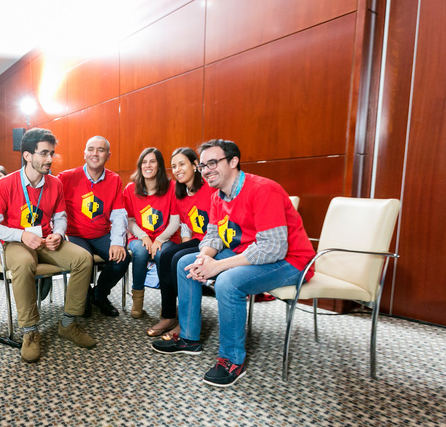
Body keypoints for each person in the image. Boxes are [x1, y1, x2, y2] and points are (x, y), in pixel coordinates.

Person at [152, 139, 315, 388]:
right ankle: (189, 338)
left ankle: (232, 360)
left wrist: (218, 267)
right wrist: (204, 257)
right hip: (248, 253)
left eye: (213, 163)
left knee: (227, 282)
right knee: (186, 262)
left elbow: (273, 248)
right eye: (204, 165)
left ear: (234, 161)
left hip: (290, 261)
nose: (207, 170)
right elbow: (214, 235)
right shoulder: (219, 196)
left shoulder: (262, 190)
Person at [0, 128, 94, 363]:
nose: (49, 159)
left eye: (51, 153)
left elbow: (62, 217)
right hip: (17, 243)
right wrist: (21, 235)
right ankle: (30, 331)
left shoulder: (55, 183)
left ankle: (68, 324)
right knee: (23, 264)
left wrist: (58, 232)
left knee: (84, 259)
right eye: (44, 153)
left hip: (46, 241)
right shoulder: (5, 184)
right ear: (27, 156)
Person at [147, 148, 216, 338]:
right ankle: (169, 315)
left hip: (215, 242)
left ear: (195, 165)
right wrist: (184, 245)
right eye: (174, 166)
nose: (177, 170)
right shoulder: (181, 193)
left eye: (182, 164)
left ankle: (186, 321)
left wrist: (185, 250)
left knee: (178, 258)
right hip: (197, 240)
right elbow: (186, 224)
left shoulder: (210, 188)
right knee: (165, 255)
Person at [58, 136, 129, 317]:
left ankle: (99, 294)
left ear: (108, 155)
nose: (95, 154)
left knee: (122, 258)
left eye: (100, 150)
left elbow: (119, 214)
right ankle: (85, 294)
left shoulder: (114, 179)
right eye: (91, 149)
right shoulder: (66, 177)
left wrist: (117, 242)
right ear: (84, 154)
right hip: (74, 234)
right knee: (84, 259)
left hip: (100, 234)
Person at [123, 147, 180, 322]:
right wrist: (144, 237)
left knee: (164, 255)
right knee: (140, 252)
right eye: (144, 162)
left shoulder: (172, 187)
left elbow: (176, 220)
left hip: (167, 236)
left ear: (160, 166)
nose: (148, 165)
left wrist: (160, 239)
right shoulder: (131, 188)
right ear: (140, 166)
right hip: (140, 236)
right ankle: (137, 300)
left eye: (152, 161)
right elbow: (130, 220)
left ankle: (167, 302)